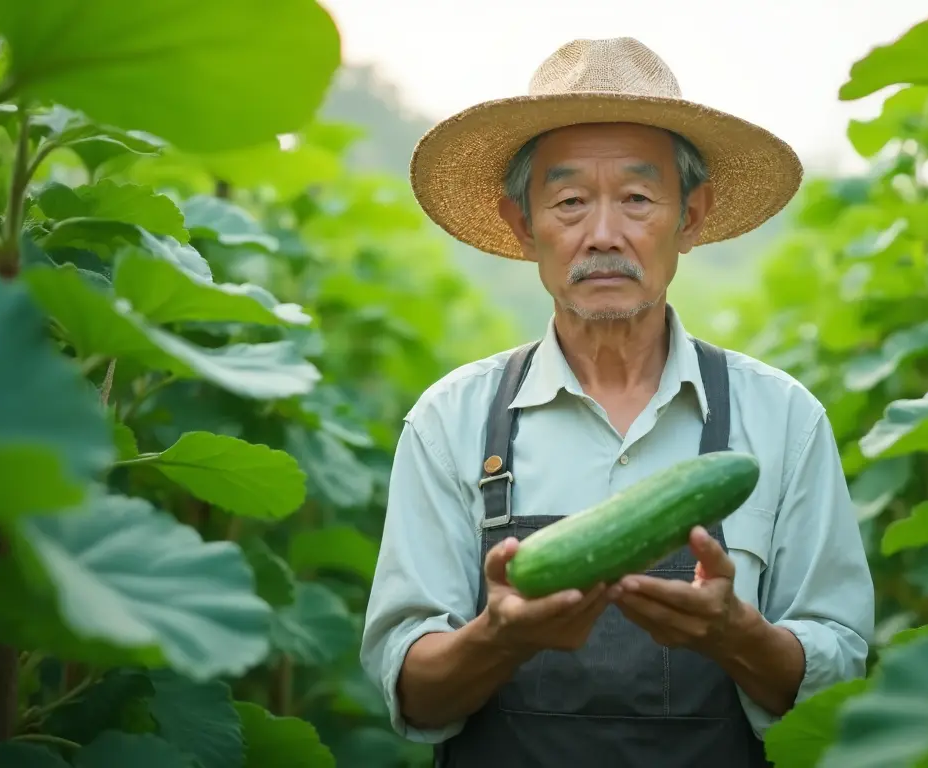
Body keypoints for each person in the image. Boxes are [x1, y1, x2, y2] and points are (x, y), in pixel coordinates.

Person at [361, 36, 875, 768]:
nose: (603, 235)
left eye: (637, 198)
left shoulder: (786, 420)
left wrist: (737, 634)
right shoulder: (450, 423)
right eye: (569, 201)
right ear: (522, 225)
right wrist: (498, 638)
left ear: (691, 217)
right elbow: (412, 694)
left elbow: (838, 688)